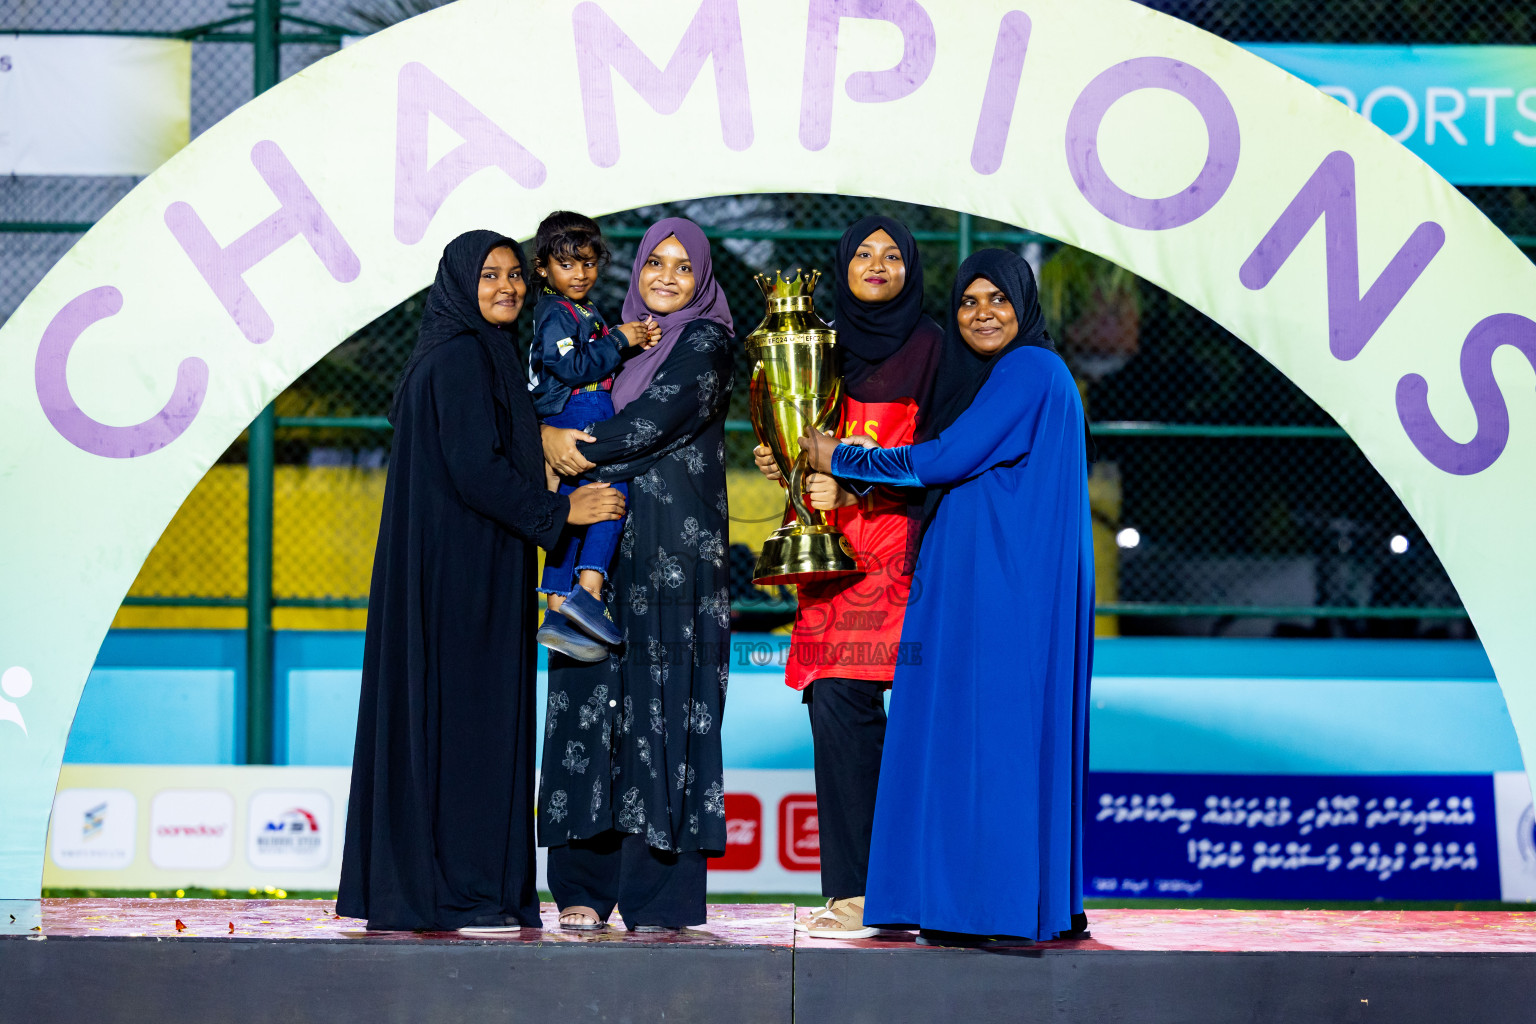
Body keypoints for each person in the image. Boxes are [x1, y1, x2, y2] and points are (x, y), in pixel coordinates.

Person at [799, 248, 1094, 947]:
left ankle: (993, 911)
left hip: (998, 589)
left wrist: (839, 455)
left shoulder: (1028, 369)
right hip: (992, 582)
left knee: (989, 743)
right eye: (967, 301)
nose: (982, 313)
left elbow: (946, 458)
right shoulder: (1023, 375)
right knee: (1001, 740)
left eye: (998, 299)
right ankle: (1029, 900)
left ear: (1024, 306)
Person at [338, 230, 626, 933]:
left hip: (467, 561)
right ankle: (463, 890)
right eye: (490, 275)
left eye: (515, 276)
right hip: (460, 571)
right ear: (460, 282)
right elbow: (475, 469)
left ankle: (456, 887)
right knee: (468, 722)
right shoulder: (464, 357)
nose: (507, 287)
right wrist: (561, 512)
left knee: (458, 719)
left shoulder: (474, 351)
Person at [537, 218, 735, 932]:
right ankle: (581, 887)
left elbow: (652, 424)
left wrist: (564, 449)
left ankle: (658, 898)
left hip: (672, 565)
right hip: (597, 552)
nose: (667, 278)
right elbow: (556, 399)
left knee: (663, 712)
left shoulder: (706, 343)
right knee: (586, 706)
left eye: (684, 267)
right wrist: (544, 433)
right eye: (656, 262)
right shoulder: (613, 344)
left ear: (702, 279)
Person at [752, 216, 943, 938]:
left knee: (923, 724)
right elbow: (802, 429)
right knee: (836, 708)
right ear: (842, 263)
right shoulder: (818, 341)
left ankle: (925, 883)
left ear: (910, 270)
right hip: (833, 561)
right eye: (863, 251)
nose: (877, 263)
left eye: (893, 255)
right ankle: (856, 894)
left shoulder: (935, 348)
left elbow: (945, 458)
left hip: (908, 553)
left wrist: (857, 488)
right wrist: (788, 462)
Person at [528, 211, 661, 661]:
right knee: (611, 490)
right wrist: (621, 340)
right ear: (543, 268)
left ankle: (555, 608)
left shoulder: (581, 309)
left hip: (585, 408)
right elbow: (573, 367)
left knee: (570, 509)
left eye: (588, 262)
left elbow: (598, 359)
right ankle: (589, 591)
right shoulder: (553, 313)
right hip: (580, 412)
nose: (580, 273)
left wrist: (635, 341)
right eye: (567, 264)